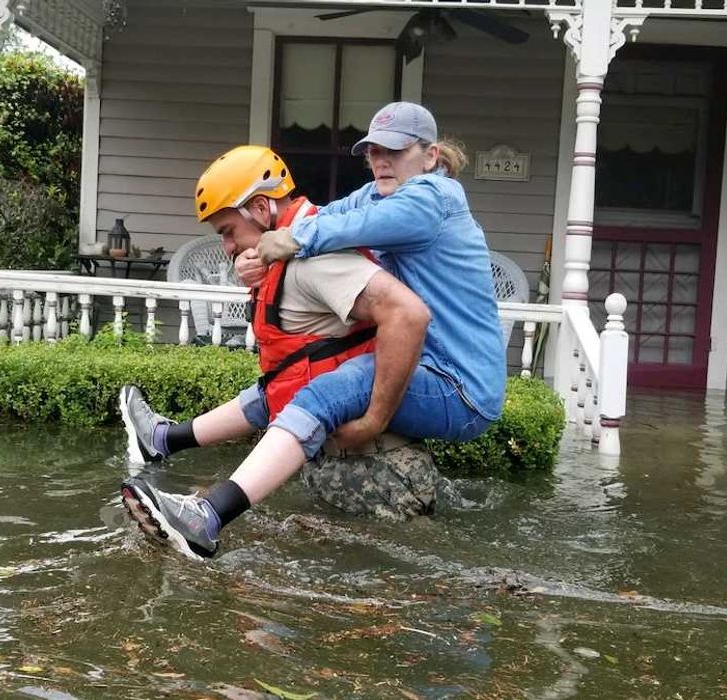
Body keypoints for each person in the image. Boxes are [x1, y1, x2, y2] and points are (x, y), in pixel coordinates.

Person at [122, 102, 506, 560]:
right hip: (430, 369)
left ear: (430, 155)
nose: (381, 162)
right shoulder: (380, 194)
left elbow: (354, 232)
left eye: (396, 151)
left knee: (326, 391)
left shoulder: (433, 197)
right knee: (300, 376)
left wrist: (374, 421)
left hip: (459, 388)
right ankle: (164, 440)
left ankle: (209, 517)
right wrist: (260, 251)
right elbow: (325, 215)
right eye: (373, 152)